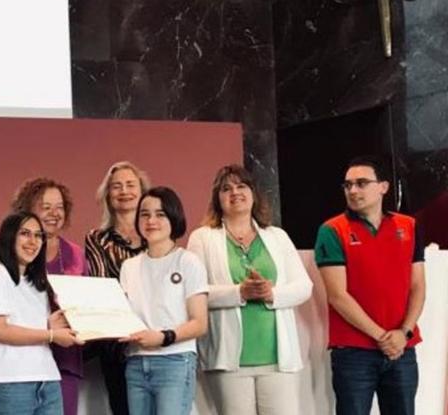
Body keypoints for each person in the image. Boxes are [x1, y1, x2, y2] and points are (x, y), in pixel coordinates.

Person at [187, 164, 312, 415]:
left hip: (278, 357)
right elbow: (194, 292)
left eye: (241, 186)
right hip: (229, 359)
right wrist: (239, 293)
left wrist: (271, 293)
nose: (235, 192)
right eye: (226, 189)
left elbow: (304, 287)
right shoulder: (202, 238)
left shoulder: (276, 235)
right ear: (217, 199)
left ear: (253, 193)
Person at [315, 156, 426, 415]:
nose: (353, 190)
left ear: (384, 187)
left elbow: (418, 286)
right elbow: (337, 295)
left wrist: (404, 334)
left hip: (403, 349)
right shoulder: (332, 230)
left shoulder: (409, 226)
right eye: (347, 185)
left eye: (362, 183)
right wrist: (383, 337)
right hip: (354, 353)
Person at [0, 178, 85, 415]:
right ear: (9, 237)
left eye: (38, 236)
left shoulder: (37, 281)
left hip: (47, 378)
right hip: (9, 381)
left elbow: (32, 326)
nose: (33, 241)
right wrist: (52, 334)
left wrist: (58, 325)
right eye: (25, 234)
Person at [119, 187, 208, 415]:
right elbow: (123, 317)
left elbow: (199, 322)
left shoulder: (188, 262)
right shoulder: (129, 267)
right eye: (145, 214)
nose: (151, 221)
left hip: (175, 361)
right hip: (136, 363)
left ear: (173, 217)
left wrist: (164, 337)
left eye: (160, 214)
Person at [84, 161, 149, 415]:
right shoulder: (96, 238)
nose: (125, 191)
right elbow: (103, 285)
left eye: (131, 185)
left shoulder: (157, 233)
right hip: (117, 344)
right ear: (107, 195)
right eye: (117, 186)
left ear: (142, 191)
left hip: (157, 339)